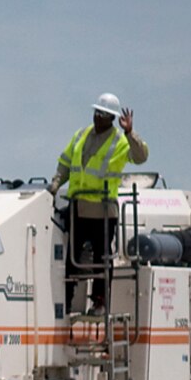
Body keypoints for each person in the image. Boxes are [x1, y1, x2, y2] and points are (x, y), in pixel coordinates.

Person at [51, 93, 147, 310]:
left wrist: (130, 132)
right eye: (96, 112)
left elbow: (140, 157)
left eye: (103, 114)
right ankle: (68, 300)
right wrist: (55, 184)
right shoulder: (81, 135)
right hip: (79, 206)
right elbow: (65, 162)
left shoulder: (121, 142)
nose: (97, 117)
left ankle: (99, 302)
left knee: (103, 258)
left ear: (112, 118)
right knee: (72, 258)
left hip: (103, 210)